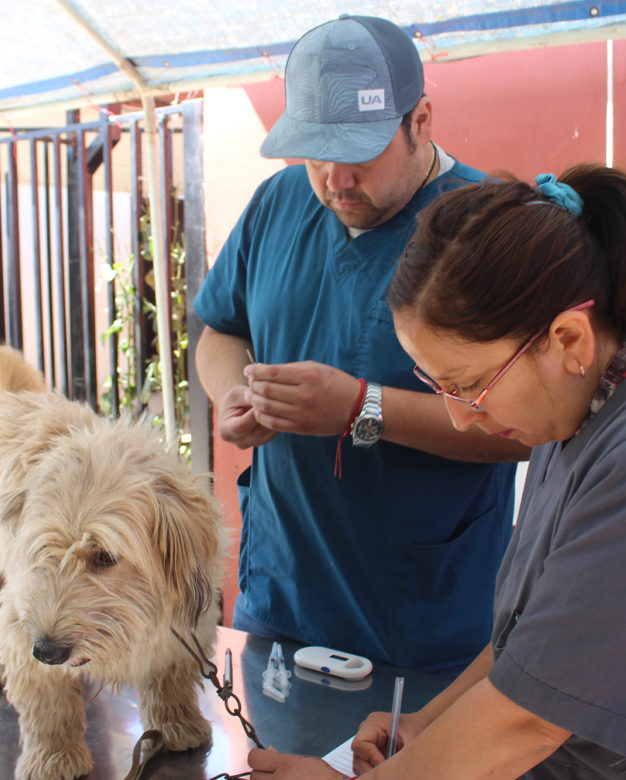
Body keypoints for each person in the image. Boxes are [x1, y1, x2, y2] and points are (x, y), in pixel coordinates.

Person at [247, 166, 626, 778]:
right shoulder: (576, 403)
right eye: (438, 387)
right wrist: (429, 723)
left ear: (568, 338)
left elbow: (530, 720)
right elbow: (542, 642)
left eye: (469, 387)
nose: (461, 420)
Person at [193, 14, 528, 674]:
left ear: (421, 121)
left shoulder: (490, 226)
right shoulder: (279, 203)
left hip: (424, 613)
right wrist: (234, 393)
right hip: (281, 594)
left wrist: (361, 411)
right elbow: (220, 330)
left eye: (360, 154)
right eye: (317, 154)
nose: (336, 181)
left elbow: (521, 426)